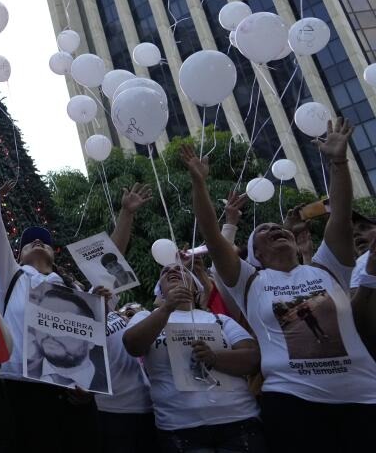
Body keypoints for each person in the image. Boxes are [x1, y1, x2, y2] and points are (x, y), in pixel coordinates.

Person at [182, 117, 376, 452]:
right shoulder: (251, 280)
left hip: (364, 397)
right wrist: (199, 184)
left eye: (279, 226)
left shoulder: (328, 268)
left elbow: (341, 215)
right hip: (291, 402)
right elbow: (213, 238)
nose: (275, 229)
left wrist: (339, 161)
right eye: (264, 230)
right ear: (255, 253)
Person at [0, 144, 148, 451]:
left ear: (53, 253)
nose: (38, 242)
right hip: (23, 392)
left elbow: (111, 262)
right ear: (16, 255)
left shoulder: (74, 290)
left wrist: (126, 213)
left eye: (45, 242)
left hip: (74, 394)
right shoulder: (13, 279)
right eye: (29, 241)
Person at [122, 266, 264, 452]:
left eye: (181, 269)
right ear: (160, 291)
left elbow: (253, 359)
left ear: (196, 288)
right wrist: (166, 309)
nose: (172, 270)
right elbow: (132, 345)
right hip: (180, 428)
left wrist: (214, 358)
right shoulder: (145, 317)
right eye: (165, 272)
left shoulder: (219, 319)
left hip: (239, 421)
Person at [95, 284, 154, 453]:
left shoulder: (121, 316)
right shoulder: (88, 317)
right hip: (112, 409)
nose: (131, 313)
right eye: (129, 311)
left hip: (148, 405)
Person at [23, 283, 108, 392]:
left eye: (65, 325)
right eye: (44, 322)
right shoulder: (22, 376)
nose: (51, 333)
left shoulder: (109, 388)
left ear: (91, 339)